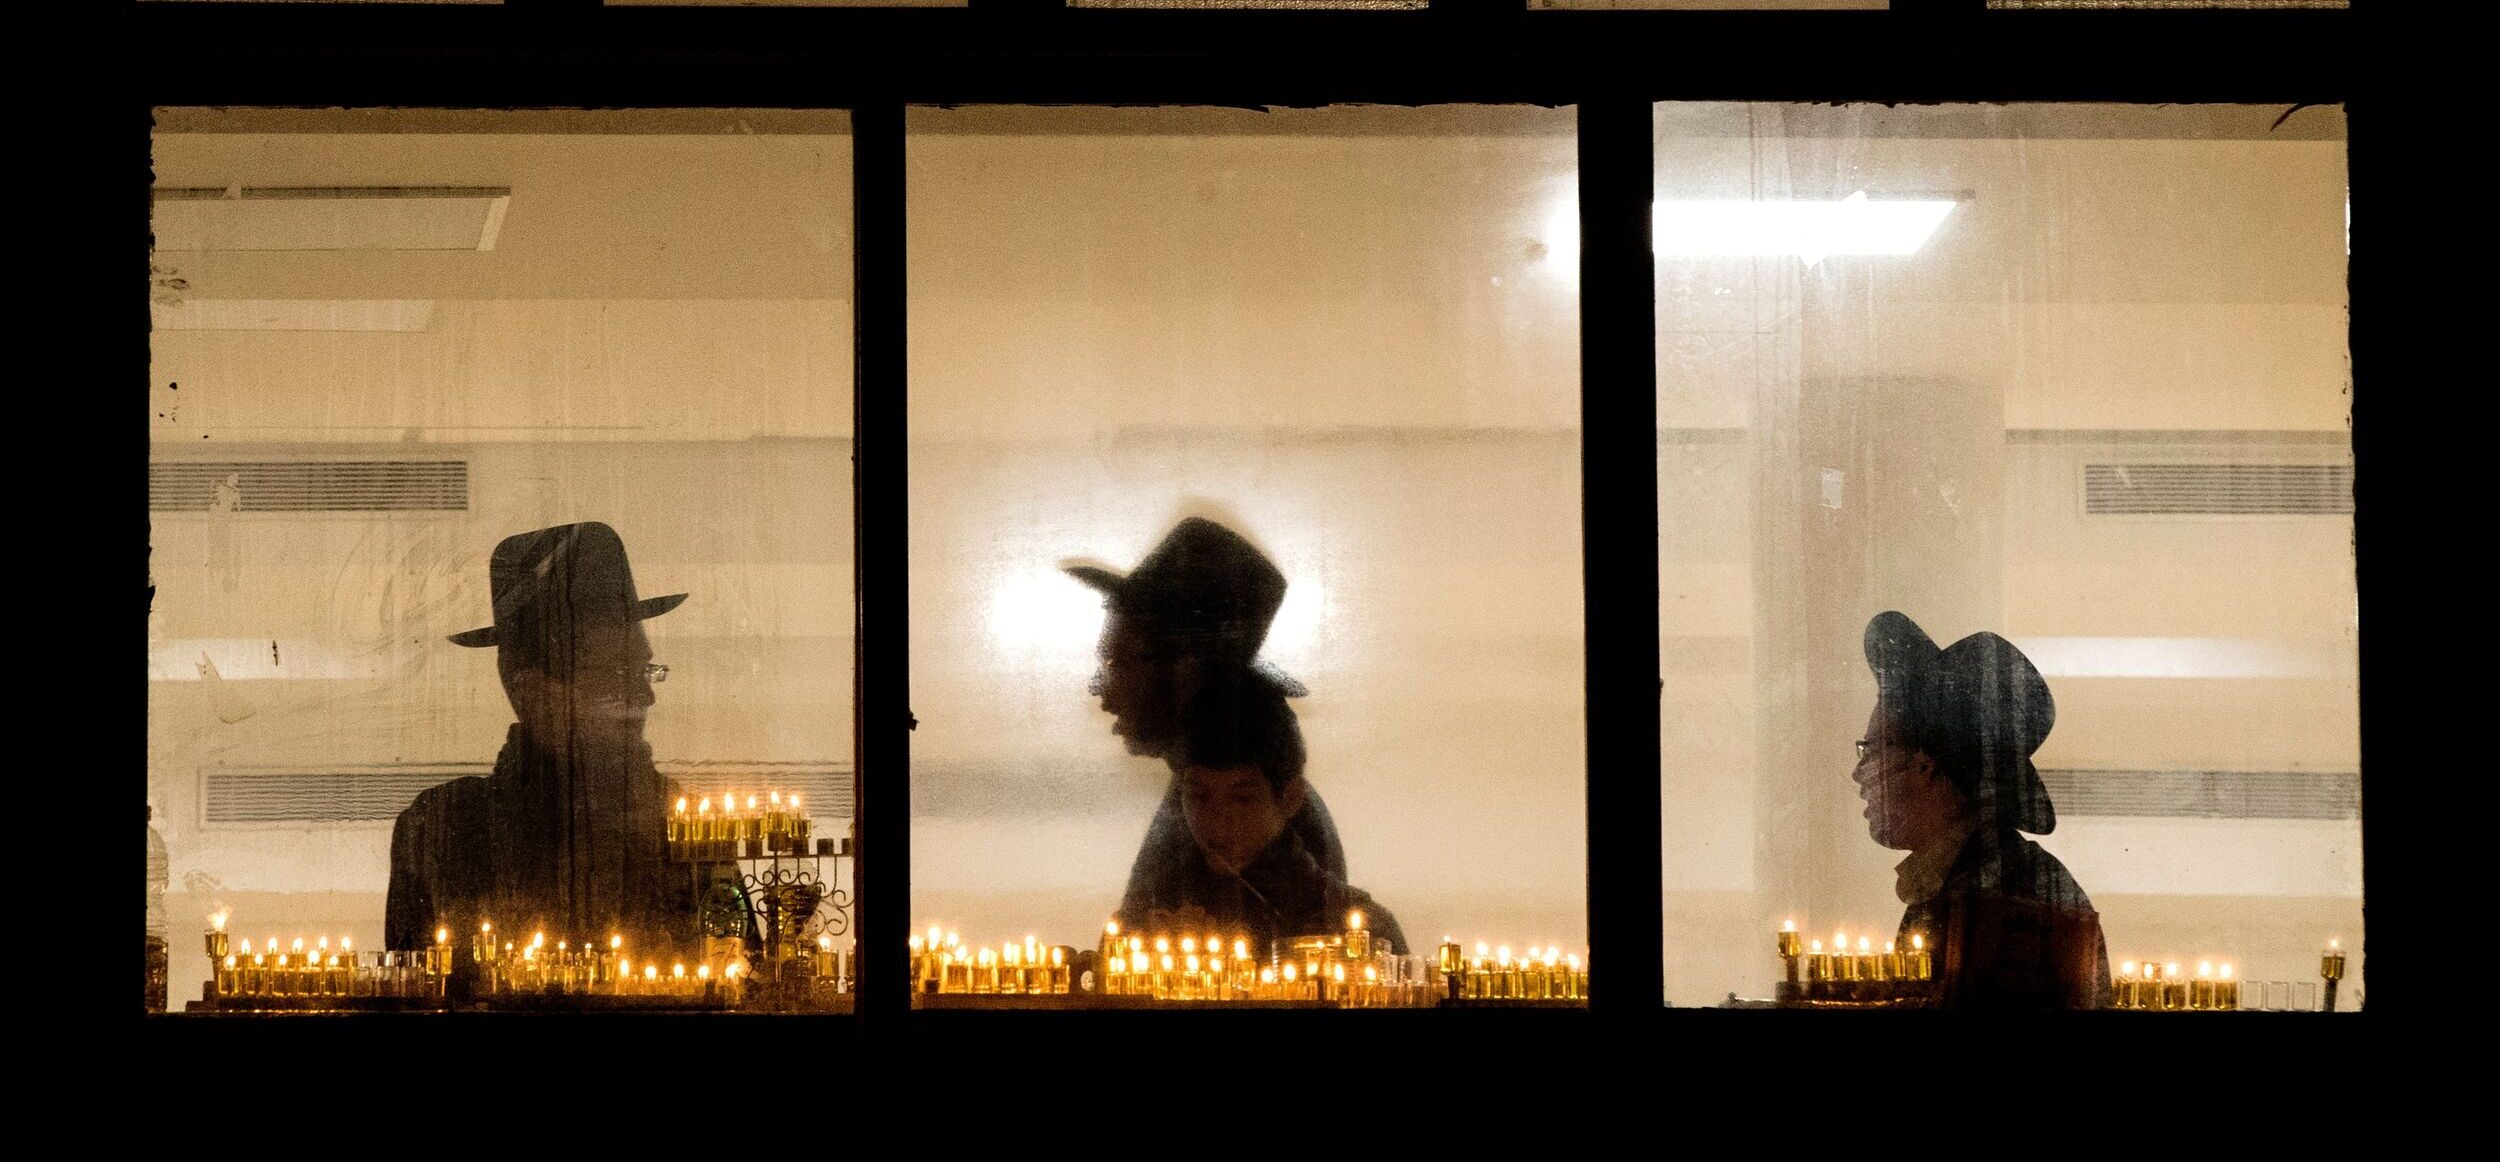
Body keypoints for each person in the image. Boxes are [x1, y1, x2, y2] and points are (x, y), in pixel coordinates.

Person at [384, 522, 706, 956]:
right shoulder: (445, 829)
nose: (645, 695)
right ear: (534, 693)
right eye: (618, 675)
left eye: (646, 671)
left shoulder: (684, 825)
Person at [1061, 517, 1350, 917]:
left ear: (1185, 670)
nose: (1102, 690)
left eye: (1118, 662)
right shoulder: (1223, 802)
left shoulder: (1257, 829)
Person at [1854, 610, 2111, 1009]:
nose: (1859, 773)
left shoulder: (2007, 894)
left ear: (1925, 762)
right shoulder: (1973, 877)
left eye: (1871, 750)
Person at [1118, 685, 1407, 955]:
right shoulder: (1144, 924)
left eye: (1242, 799)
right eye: (1199, 796)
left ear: (1291, 798)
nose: (1217, 820)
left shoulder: (1361, 934)